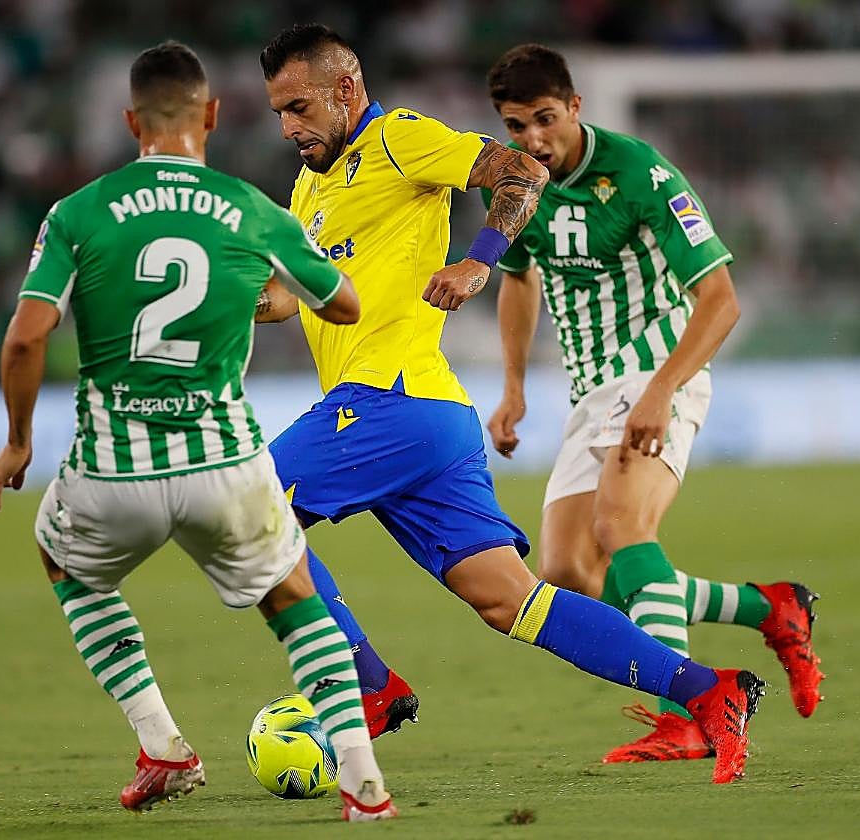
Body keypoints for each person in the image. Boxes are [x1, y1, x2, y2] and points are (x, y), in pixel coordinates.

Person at [255, 23, 763, 784]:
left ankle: (366, 683)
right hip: (431, 420)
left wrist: (478, 263)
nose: (289, 126)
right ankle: (711, 690)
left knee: (247, 519)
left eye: (299, 106)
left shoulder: (399, 138)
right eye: (278, 113)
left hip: (389, 399)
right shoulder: (309, 188)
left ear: (346, 90)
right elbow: (288, 300)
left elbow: (519, 170)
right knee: (513, 602)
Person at [0, 41, 398, 822]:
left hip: (115, 472)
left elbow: (25, 338)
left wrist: (17, 442)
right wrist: (258, 278)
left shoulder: (77, 213)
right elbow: (343, 303)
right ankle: (364, 784)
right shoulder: (250, 209)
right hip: (226, 465)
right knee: (296, 596)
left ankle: (164, 746)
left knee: (61, 558)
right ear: (211, 116)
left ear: (130, 120)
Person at [480, 43, 825, 762]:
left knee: (619, 527)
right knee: (567, 573)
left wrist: (662, 390)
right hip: (589, 392)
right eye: (517, 126)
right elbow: (517, 278)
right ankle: (770, 608)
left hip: (654, 376)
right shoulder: (515, 184)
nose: (533, 140)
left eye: (545, 119)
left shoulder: (641, 173)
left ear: (575, 106)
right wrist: (512, 386)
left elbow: (721, 300)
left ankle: (688, 717)